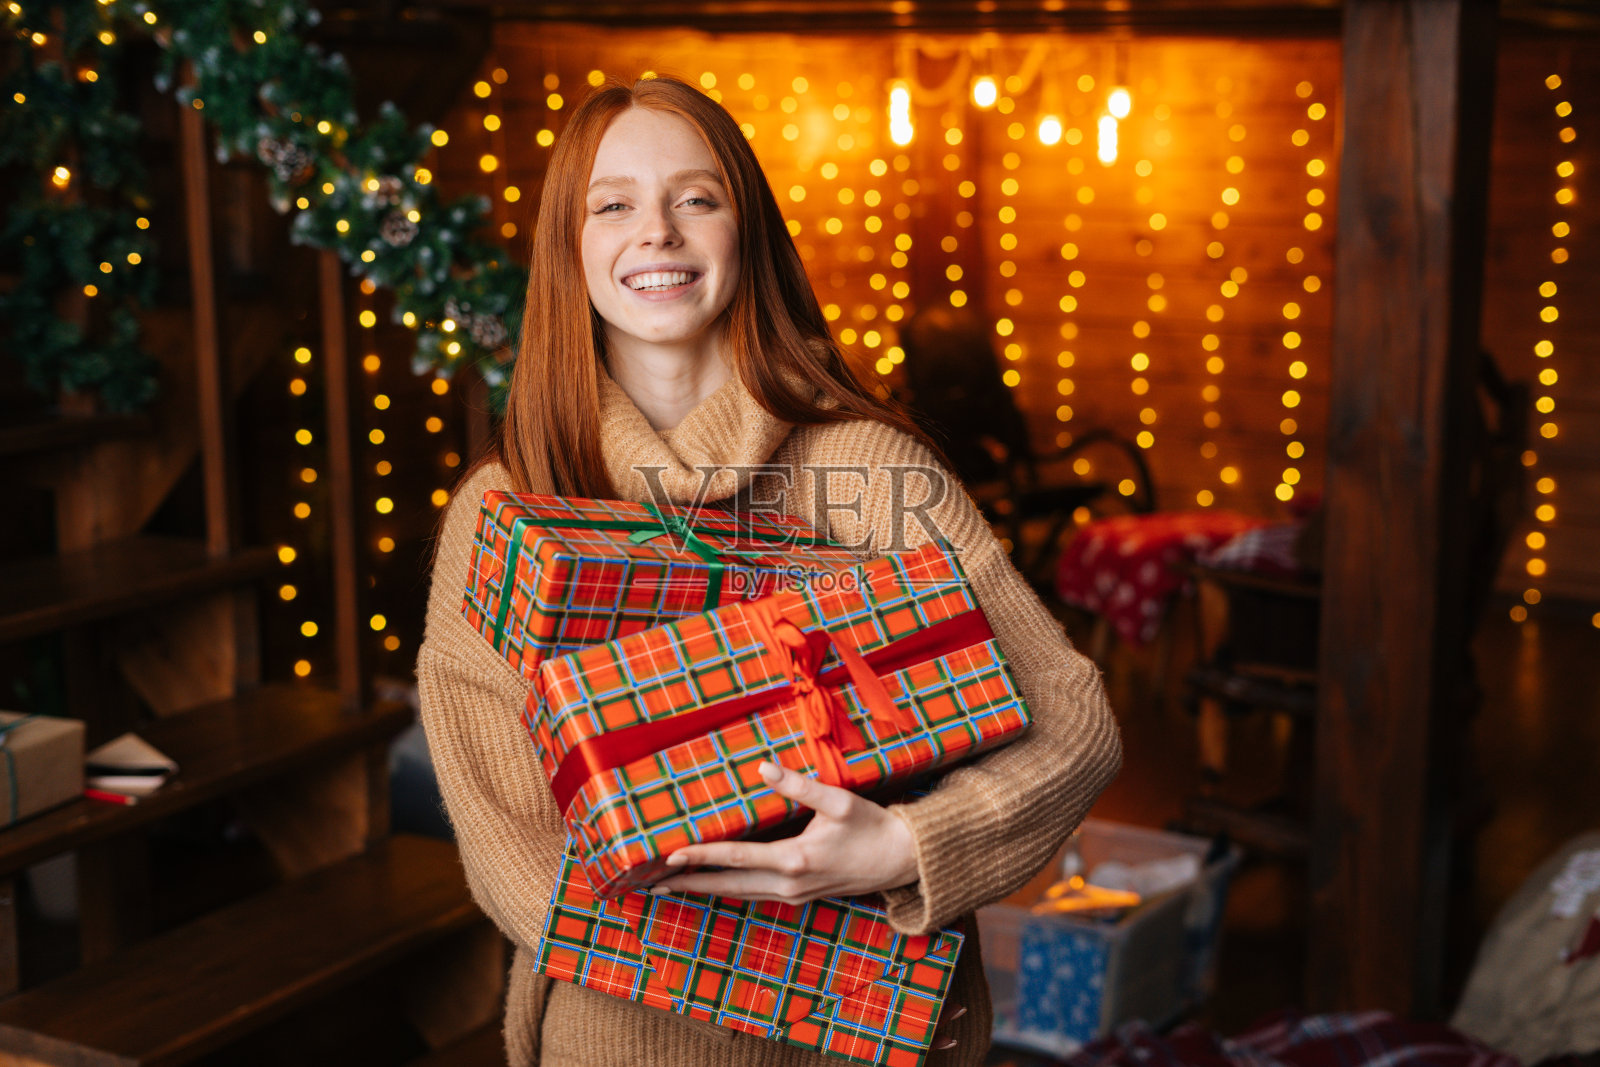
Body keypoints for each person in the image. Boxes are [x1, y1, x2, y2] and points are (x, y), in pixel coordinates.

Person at [416, 74, 1122, 1067]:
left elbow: (1073, 718)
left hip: (873, 1040)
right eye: (612, 204)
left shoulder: (875, 477)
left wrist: (904, 847)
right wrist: (756, 958)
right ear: (567, 251)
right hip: (622, 1042)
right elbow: (513, 848)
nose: (655, 232)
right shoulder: (501, 514)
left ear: (744, 233)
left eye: (695, 198)